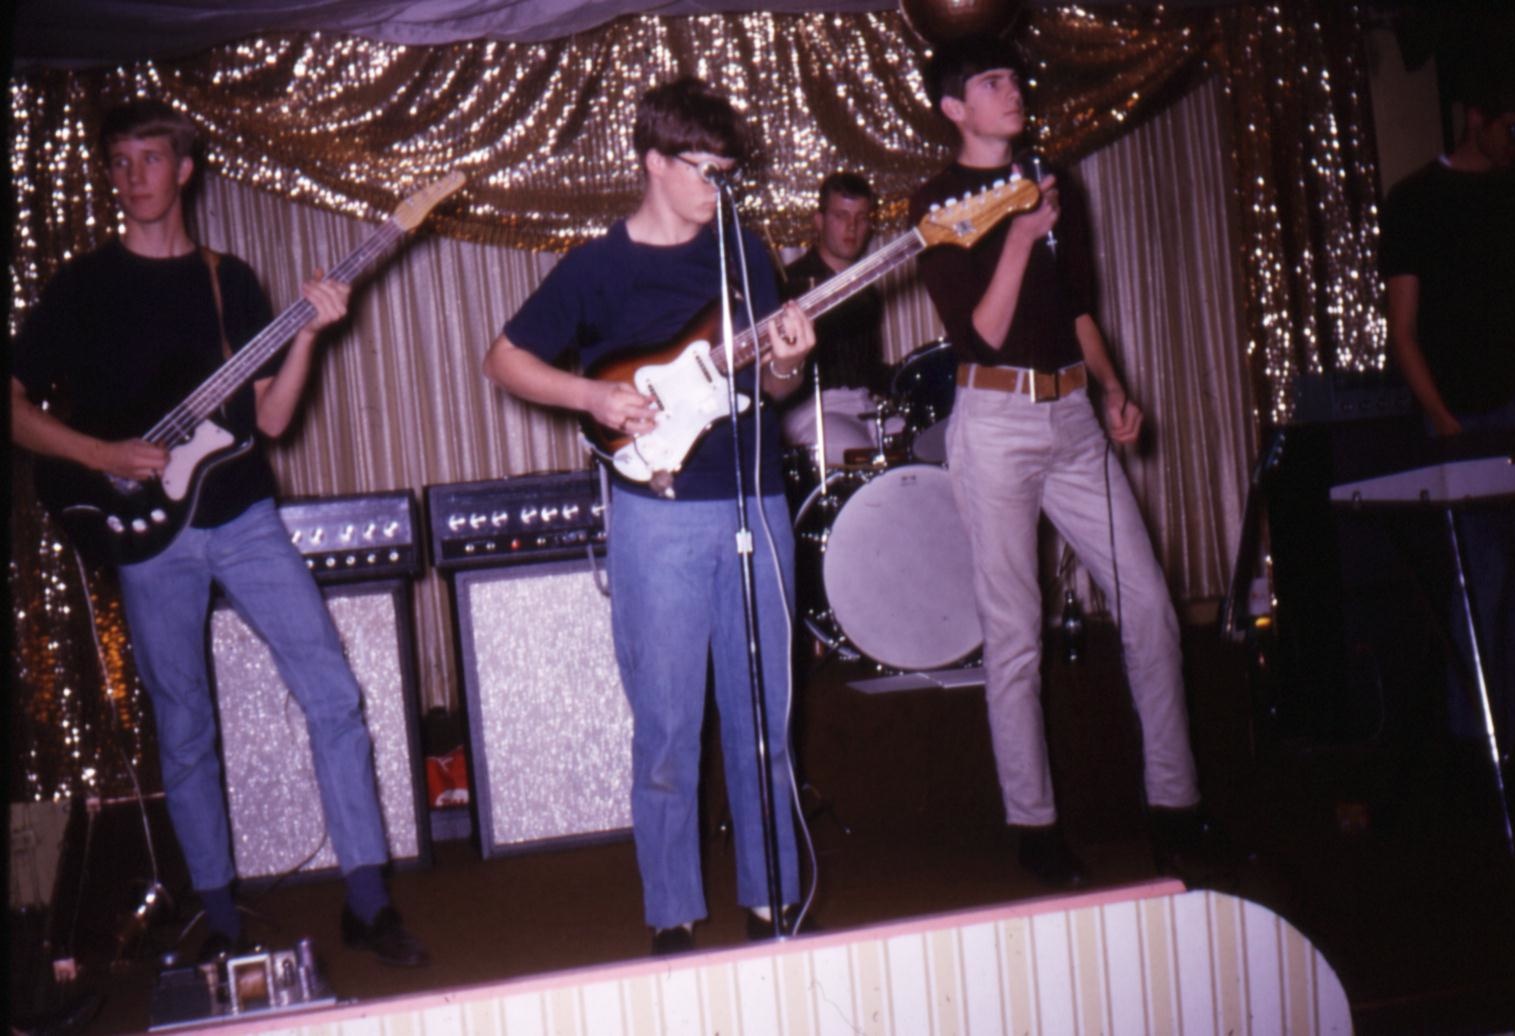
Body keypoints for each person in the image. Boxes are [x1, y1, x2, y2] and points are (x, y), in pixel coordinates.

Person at [10, 99, 428, 968]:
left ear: (185, 169)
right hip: (146, 534)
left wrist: (310, 335)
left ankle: (367, 899)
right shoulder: (82, 290)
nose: (134, 177)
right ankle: (219, 918)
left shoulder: (228, 280)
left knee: (333, 693)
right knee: (185, 725)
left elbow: (270, 419)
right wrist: (101, 453)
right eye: (119, 161)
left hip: (242, 514)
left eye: (150, 159)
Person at [483, 77, 815, 953]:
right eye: (705, 168)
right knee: (667, 730)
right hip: (657, 515)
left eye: (728, 171)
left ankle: (773, 902)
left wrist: (788, 364)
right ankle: (672, 913)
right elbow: (504, 359)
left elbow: (775, 385)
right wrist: (592, 396)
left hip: (755, 500)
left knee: (764, 722)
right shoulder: (599, 266)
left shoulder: (744, 254)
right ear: (653, 162)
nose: (719, 186)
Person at [908, 36, 1217, 885]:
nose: (1014, 90)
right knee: (1015, 631)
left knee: (1150, 607)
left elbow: (1078, 307)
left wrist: (1113, 387)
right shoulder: (937, 204)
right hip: (995, 419)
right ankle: (1035, 828)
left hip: (1075, 415)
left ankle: (1176, 806)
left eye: (1015, 77)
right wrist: (1017, 236)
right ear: (955, 108)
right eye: (993, 81)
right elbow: (982, 334)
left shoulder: (1052, 179)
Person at [1380, 77, 1515, 759]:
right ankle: (1476, 748)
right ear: (1476, 118)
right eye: (1510, 128)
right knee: (1483, 580)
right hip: (1463, 415)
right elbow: (1404, 330)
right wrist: (1442, 419)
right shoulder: (1415, 200)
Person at [779, 172, 894, 464]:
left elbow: (868, 368)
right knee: (865, 459)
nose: (852, 227)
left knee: (917, 446)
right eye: (841, 216)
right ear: (819, 221)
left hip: (865, 404)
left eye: (861, 217)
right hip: (813, 409)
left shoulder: (867, 288)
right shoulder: (790, 285)